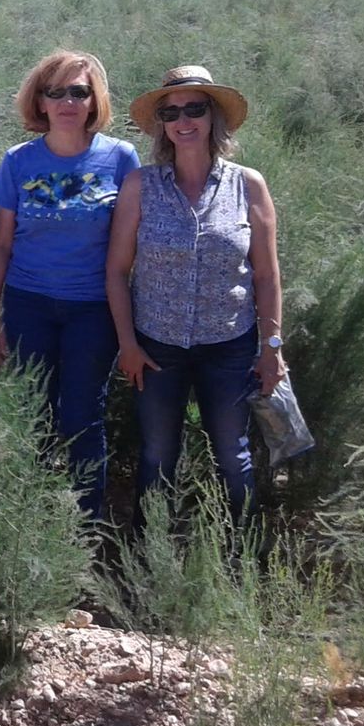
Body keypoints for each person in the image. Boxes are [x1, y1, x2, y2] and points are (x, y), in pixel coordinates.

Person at [106, 65, 286, 527]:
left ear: (213, 117)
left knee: (233, 455)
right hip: (156, 347)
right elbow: (117, 270)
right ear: (162, 125)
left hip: (229, 347)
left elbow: (266, 276)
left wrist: (271, 349)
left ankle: (244, 551)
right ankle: (148, 553)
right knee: (157, 454)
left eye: (195, 108)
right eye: (171, 112)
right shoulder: (140, 186)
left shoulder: (248, 185)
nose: (183, 120)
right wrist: (127, 344)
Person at [0, 50, 140, 521]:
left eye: (79, 92)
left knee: (80, 416)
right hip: (29, 302)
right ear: (41, 101)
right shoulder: (19, 161)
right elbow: (2, 245)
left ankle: (84, 529)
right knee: (31, 414)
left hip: (92, 309)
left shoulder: (120, 159)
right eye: (57, 92)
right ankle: (27, 526)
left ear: (95, 101)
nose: (69, 101)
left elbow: (128, 251)